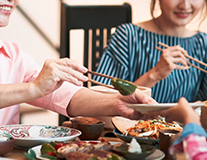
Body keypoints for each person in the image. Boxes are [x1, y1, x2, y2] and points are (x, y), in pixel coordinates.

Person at [0, 0, 157, 125]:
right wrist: (33, 88)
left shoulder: (14, 55)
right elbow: (35, 88)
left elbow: (66, 95)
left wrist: (116, 102)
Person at [93, 0, 207, 103]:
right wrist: (154, 74)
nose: (185, 5)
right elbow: (99, 99)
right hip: (133, 125)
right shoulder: (128, 36)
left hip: (187, 126)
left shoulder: (204, 43)